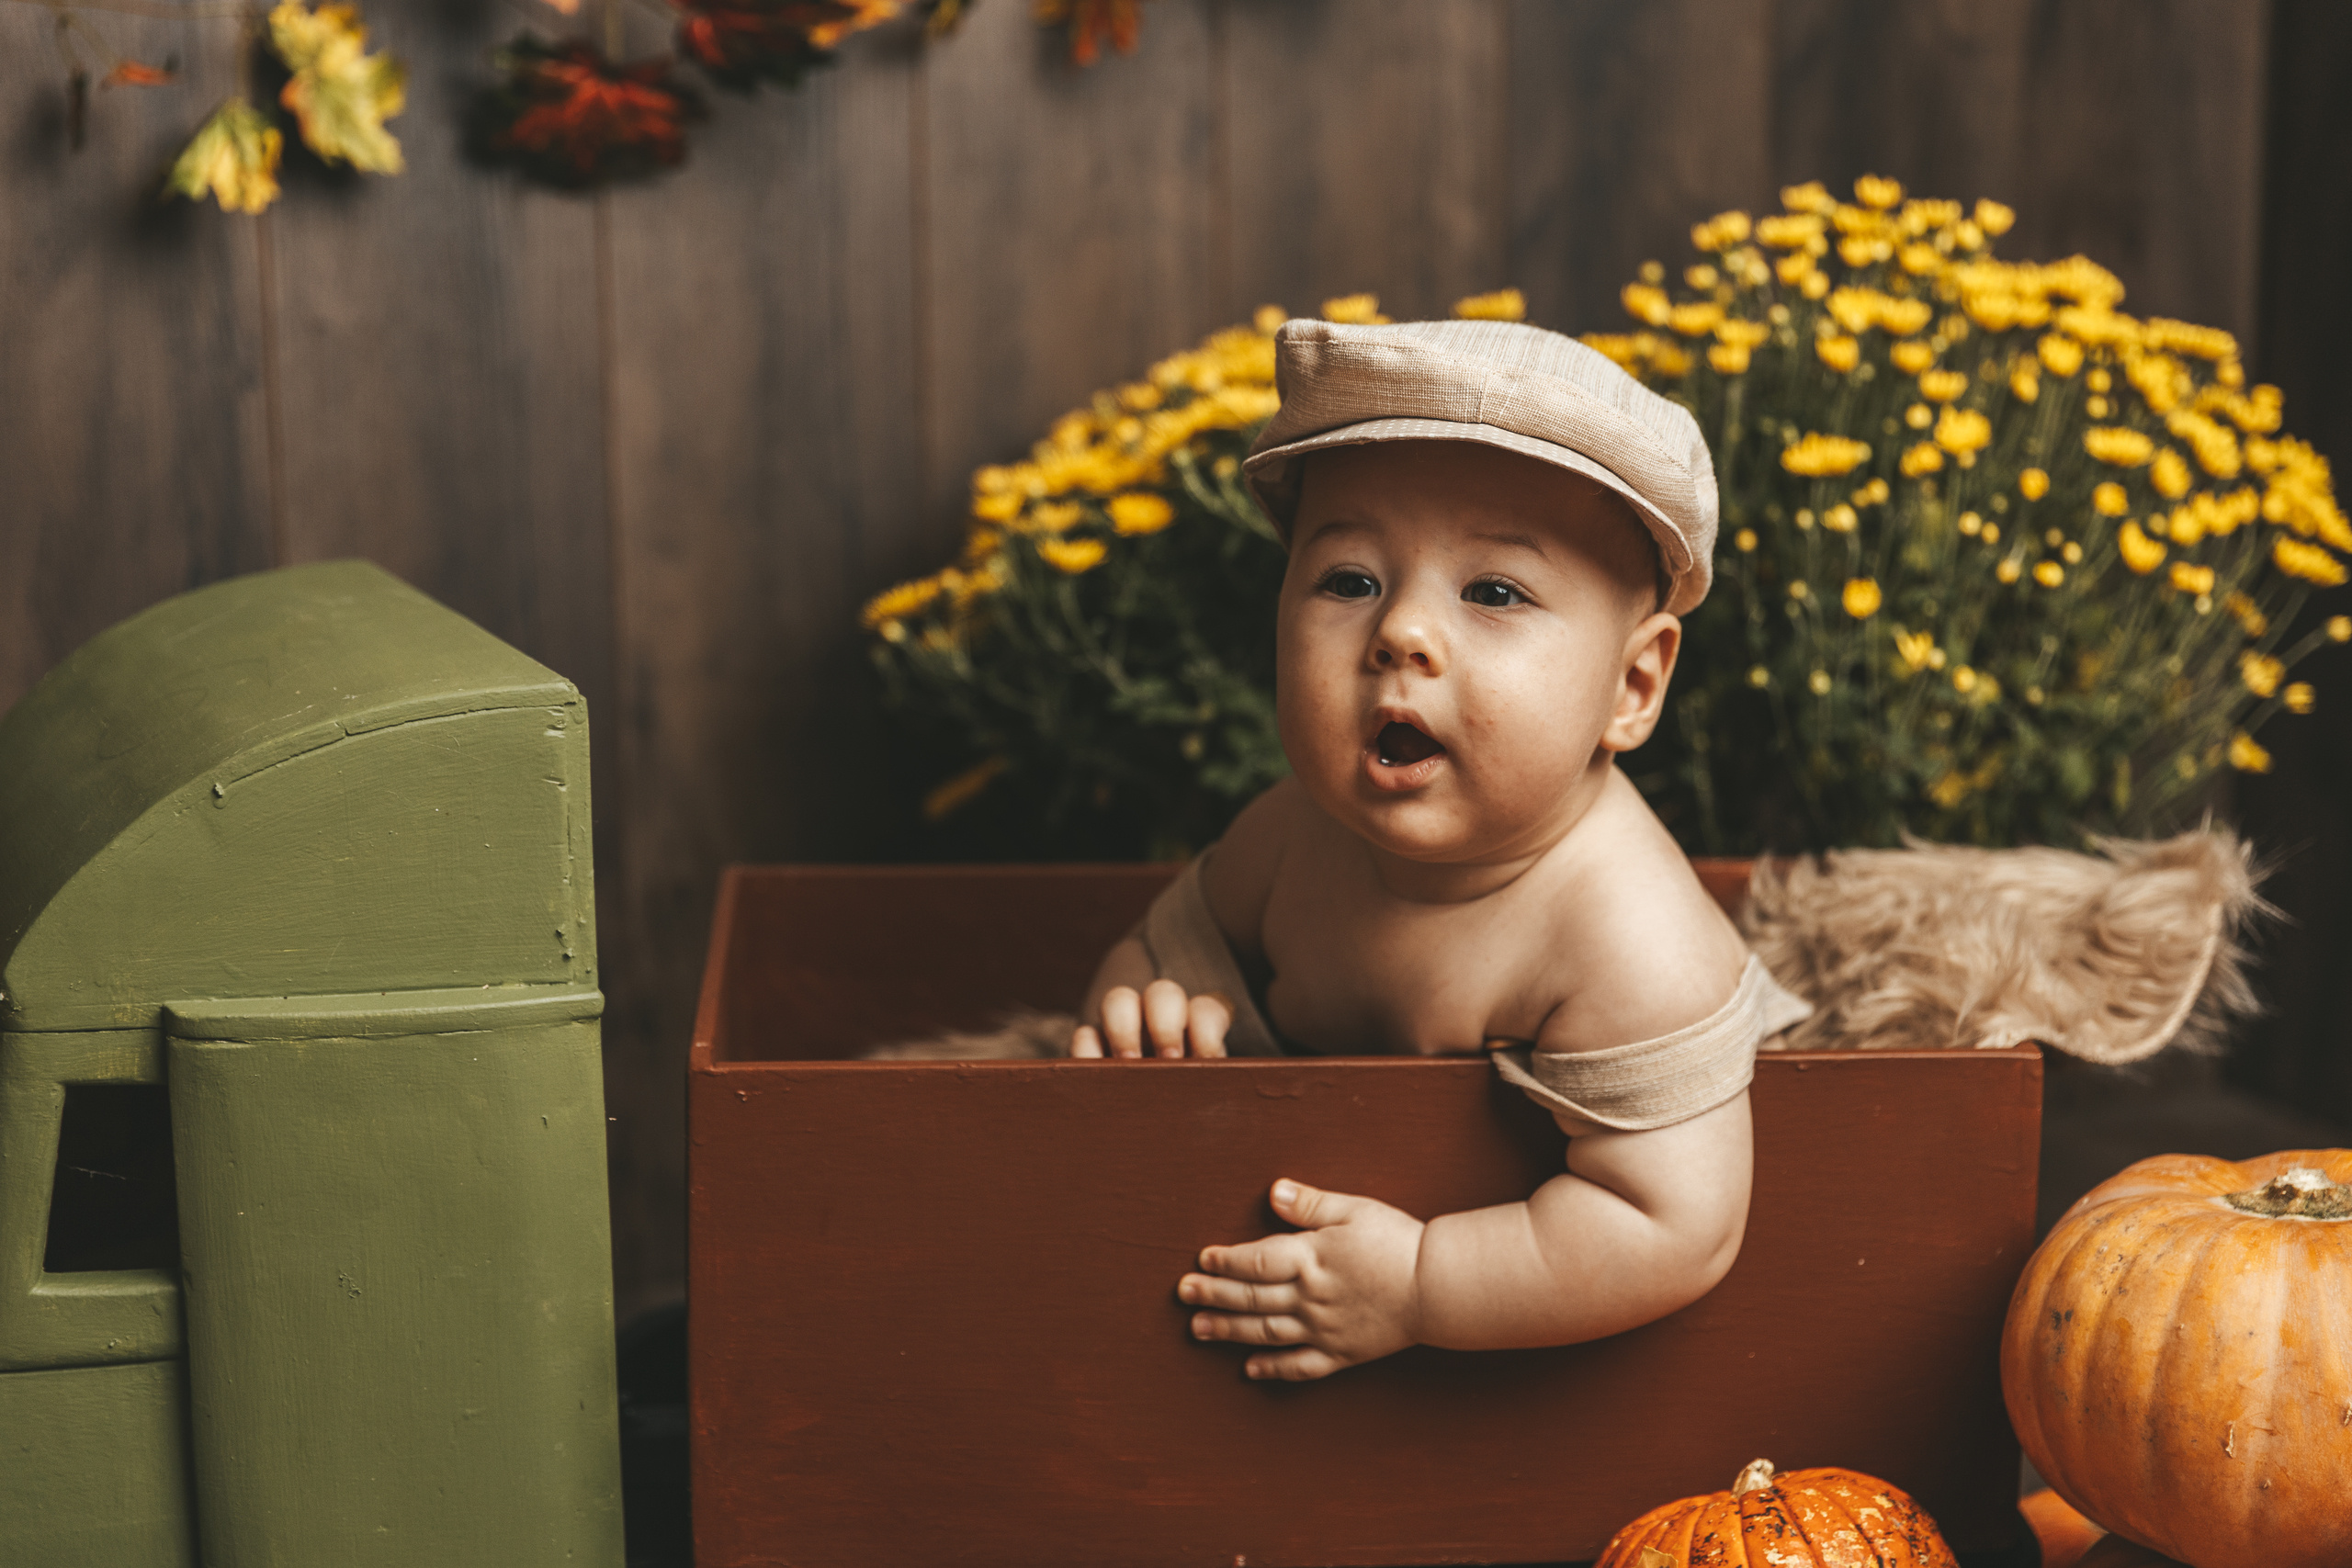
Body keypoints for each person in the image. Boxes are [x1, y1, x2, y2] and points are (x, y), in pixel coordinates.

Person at [1067, 317, 1809, 1382]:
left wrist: (1420, 1283)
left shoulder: (1627, 940)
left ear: (1632, 686)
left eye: (1493, 592)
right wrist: (1145, 1011)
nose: (1400, 632)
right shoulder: (1289, 834)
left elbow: (1668, 1223)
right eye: (1348, 581)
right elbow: (1158, 953)